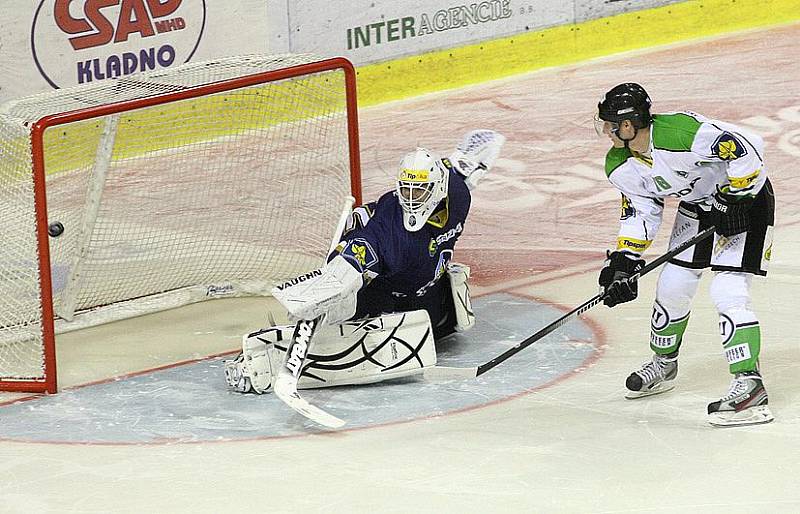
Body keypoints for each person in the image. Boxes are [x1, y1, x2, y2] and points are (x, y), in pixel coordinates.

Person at [224, 130, 505, 393]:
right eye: (405, 189)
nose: (411, 199)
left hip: (431, 296)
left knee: (440, 325)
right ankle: (265, 359)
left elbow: (462, 165)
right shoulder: (387, 231)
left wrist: (483, 144)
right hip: (384, 296)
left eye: (418, 191)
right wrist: (319, 296)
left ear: (438, 188)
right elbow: (348, 268)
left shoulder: (457, 194)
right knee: (344, 303)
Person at [594, 83, 775, 427]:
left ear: (629, 125)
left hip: (745, 202)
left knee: (727, 290)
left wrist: (736, 197)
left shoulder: (679, 133)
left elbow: (748, 148)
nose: (607, 131)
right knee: (673, 283)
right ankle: (664, 364)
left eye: (610, 124)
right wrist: (623, 262)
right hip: (700, 207)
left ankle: (750, 385)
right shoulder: (620, 163)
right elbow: (641, 212)